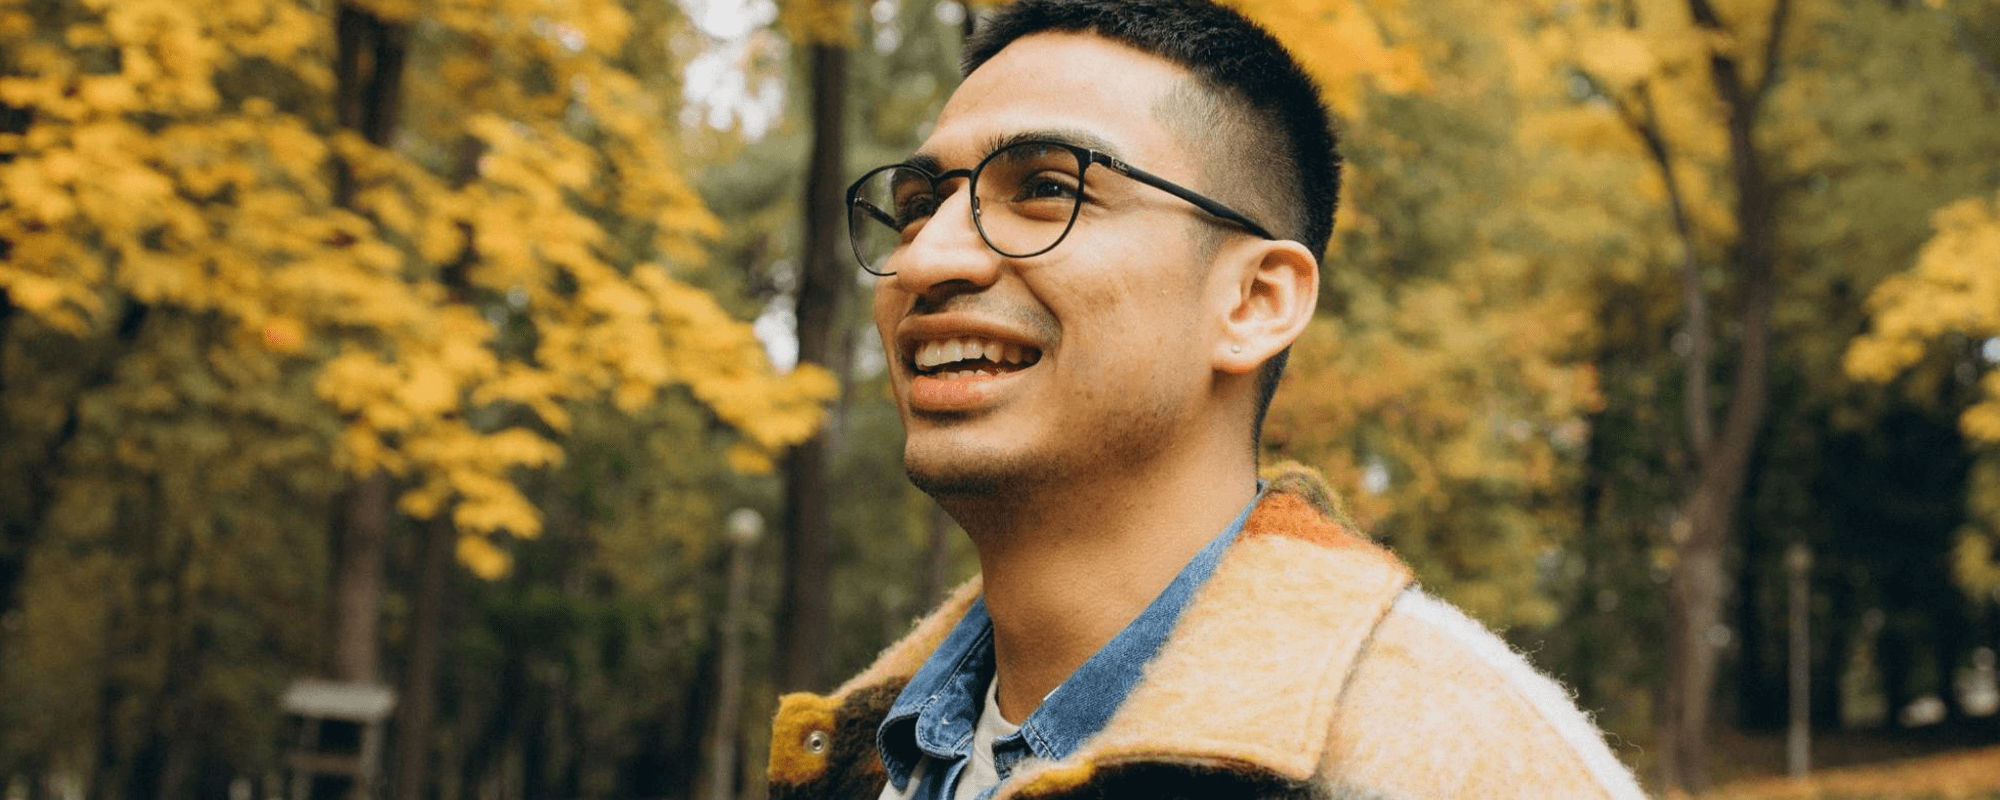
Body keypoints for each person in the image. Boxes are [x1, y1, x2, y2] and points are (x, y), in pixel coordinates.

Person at [768, 0, 1650, 797]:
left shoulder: (1457, 762)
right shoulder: (853, 756)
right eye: (919, 204)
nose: (925, 258)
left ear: (1255, 302)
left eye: (1046, 189)